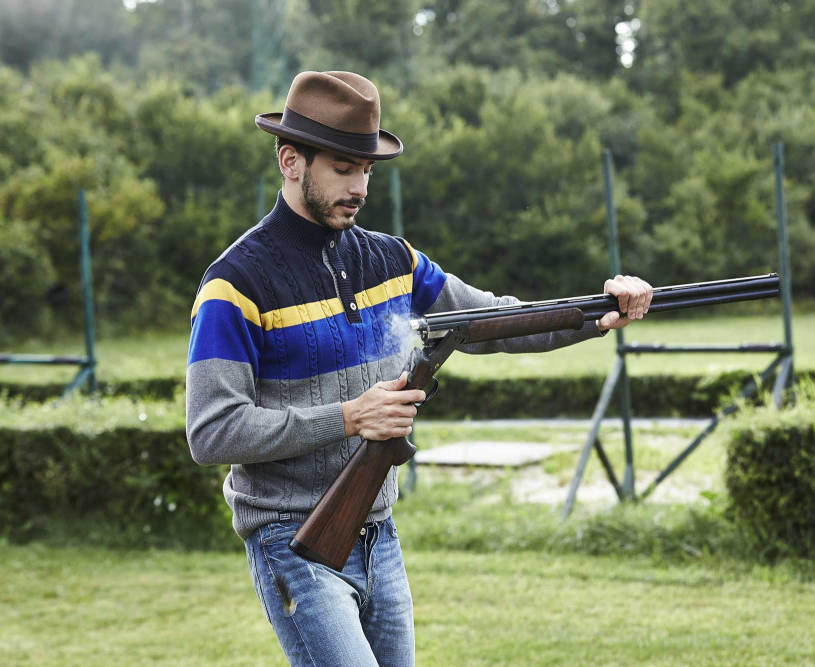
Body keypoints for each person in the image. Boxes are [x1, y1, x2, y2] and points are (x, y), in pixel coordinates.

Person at [185, 70, 652, 667]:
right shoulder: (234, 284)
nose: (360, 186)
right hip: (290, 541)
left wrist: (598, 313)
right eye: (343, 168)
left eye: (367, 170)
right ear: (290, 161)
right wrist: (350, 417)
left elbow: (495, 320)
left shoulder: (395, 261)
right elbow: (212, 431)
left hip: (379, 532)